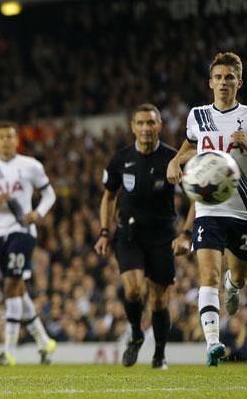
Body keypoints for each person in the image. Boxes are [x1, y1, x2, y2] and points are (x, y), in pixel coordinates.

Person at [167, 52, 247, 366]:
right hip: (208, 208)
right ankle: (213, 344)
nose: (223, 82)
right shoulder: (198, 115)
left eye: (229, 77)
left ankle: (234, 289)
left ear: (239, 82)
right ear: (210, 82)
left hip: (243, 210)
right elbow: (191, 144)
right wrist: (175, 159)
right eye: (218, 77)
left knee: (238, 278)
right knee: (208, 276)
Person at [94, 103, 194, 370]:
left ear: (159, 125)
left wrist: (186, 233)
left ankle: (159, 353)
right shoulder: (120, 159)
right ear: (133, 127)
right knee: (134, 289)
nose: (146, 128)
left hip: (163, 236)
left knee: (160, 299)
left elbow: (197, 198)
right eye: (140, 123)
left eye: (151, 123)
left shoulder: (172, 159)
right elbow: (109, 196)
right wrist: (104, 232)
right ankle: (136, 333)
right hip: (129, 234)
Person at [0, 122, 57, 366]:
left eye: (10, 136)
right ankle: (44, 341)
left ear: (17, 140)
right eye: (1, 137)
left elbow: (49, 194)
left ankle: (8, 350)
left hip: (22, 230)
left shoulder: (30, 166)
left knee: (11, 284)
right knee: (17, 287)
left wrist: (38, 213)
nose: (6, 141)